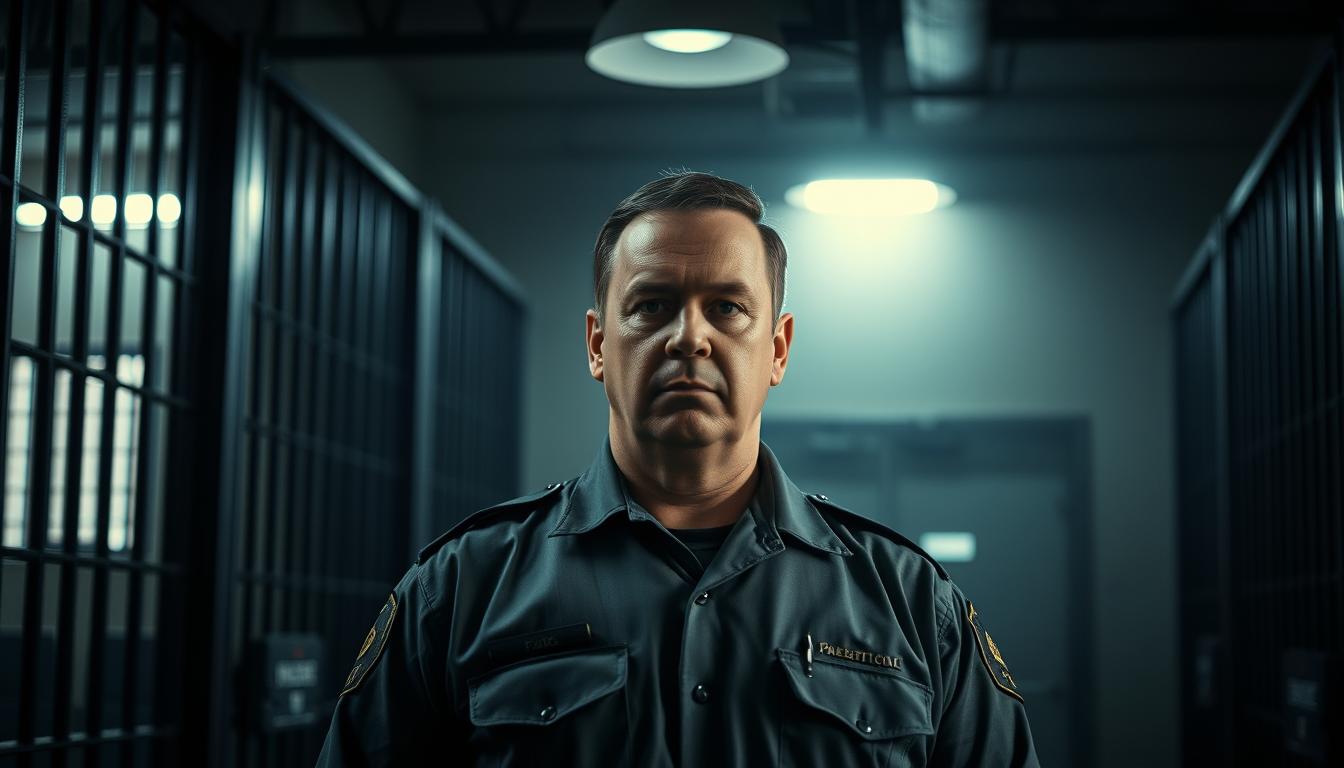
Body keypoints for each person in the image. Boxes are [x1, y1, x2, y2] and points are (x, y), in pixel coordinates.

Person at [315, 171, 1040, 767]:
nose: (688, 337)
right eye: (652, 305)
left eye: (727, 307)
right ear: (598, 344)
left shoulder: (911, 602)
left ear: (778, 349)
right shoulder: (459, 590)